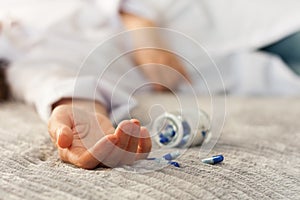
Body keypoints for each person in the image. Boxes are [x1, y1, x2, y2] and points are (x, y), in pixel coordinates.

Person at [2, 0, 300, 169]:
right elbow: (60, 88)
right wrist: (80, 117)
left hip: (223, 15)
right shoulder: (23, 69)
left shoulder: (27, 7)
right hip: (227, 69)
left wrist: (138, 21)